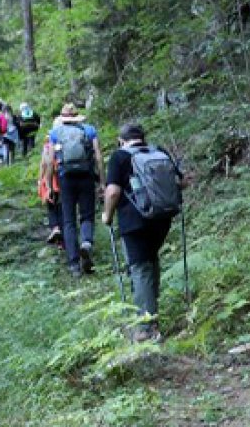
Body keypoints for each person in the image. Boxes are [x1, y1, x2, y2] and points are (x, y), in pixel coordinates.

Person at [102, 122, 182, 342]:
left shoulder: (120, 156)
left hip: (134, 220)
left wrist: (107, 216)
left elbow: (113, 192)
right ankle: (151, 313)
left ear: (121, 140)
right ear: (143, 137)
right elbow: (180, 182)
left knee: (140, 268)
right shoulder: (160, 152)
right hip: (162, 217)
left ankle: (146, 327)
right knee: (150, 261)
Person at [43, 103, 102, 276]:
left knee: (68, 221)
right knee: (87, 214)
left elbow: (49, 161)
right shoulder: (89, 130)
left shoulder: (55, 133)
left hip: (65, 178)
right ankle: (86, 242)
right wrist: (103, 181)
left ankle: (74, 263)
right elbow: (98, 156)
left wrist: (49, 185)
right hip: (86, 175)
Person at [36, 125, 63, 245]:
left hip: (50, 179)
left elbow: (44, 163)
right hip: (63, 178)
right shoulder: (66, 141)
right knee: (62, 207)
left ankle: (55, 228)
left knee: (51, 206)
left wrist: (40, 179)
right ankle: (63, 237)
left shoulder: (48, 144)